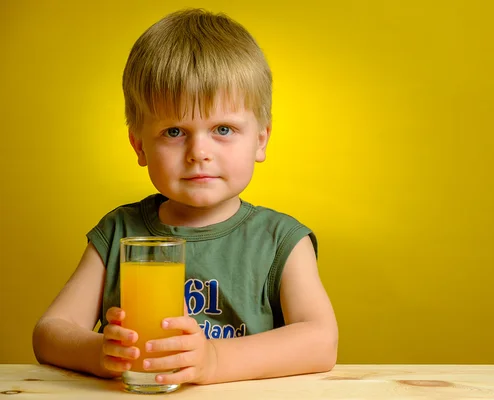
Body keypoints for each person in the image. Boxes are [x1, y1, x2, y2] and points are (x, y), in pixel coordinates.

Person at [32, 8, 338, 386]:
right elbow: (50, 332)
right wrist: (99, 353)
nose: (199, 152)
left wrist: (213, 360)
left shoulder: (280, 240)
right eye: (175, 132)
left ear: (260, 139)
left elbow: (321, 341)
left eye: (223, 128)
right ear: (139, 145)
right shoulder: (118, 233)